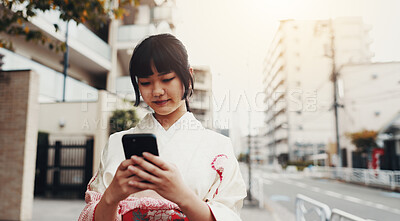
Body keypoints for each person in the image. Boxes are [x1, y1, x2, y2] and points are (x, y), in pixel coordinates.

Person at [79, 34, 246, 221]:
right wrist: (111, 197)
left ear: (188, 77)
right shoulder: (116, 143)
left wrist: (181, 195)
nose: (157, 91)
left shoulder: (219, 146)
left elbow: (228, 215)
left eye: (166, 79)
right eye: (145, 82)